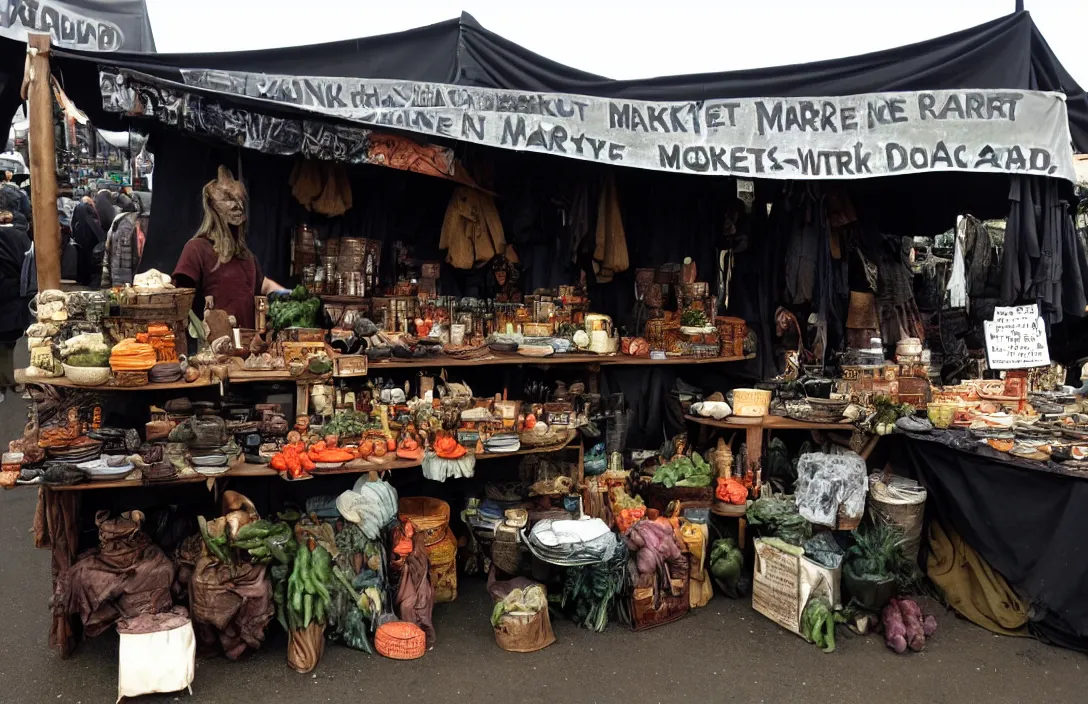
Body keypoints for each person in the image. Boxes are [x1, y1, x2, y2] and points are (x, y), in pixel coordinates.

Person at [173, 166, 285, 329]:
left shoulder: (246, 256)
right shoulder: (196, 249)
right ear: (214, 207)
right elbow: (180, 302)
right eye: (228, 199)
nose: (237, 205)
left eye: (239, 200)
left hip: (246, 349)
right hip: (211, 348)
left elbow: (264, 285)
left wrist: (294, 297)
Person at [0, 209, 30, 401]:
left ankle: (6, 380)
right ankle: (7, 379)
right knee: (6, 343)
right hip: (11, 296)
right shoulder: (20, 238)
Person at [100, 194, 143, 288]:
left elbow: (108, 248)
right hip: (135, 275)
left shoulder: (118, 221)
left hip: (118, 271)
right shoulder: (139, 221)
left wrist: (105, 279)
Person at [70, 200, 106, 287]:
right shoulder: (90, 214)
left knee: (82, 259)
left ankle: (83, 279)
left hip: (81, 241)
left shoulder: (79, 212)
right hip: (91, 244)